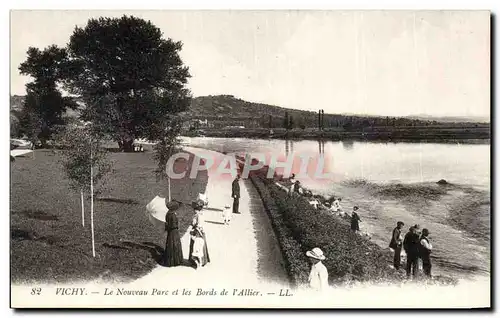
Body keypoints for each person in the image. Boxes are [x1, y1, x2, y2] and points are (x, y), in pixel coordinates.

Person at [189, 200, 211, 268]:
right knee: (200, 245)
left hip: (197, 232)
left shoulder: (197, 216)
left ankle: (198, 260)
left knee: (197, 245)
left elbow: (197, 224)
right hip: (199, 231)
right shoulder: (200, 214)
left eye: (195, 209)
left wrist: (193, 224)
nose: (194, 211)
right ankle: (202, 259)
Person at [162, 201, 183, 267]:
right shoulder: (173, 215)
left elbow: (167, 223)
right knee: (175, 245)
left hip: (170, 232)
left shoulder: (168, 214)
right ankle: (175, 261)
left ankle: (170, 260)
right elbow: (173, 225)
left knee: (170, 245)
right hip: (174, 231)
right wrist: (177, 224)